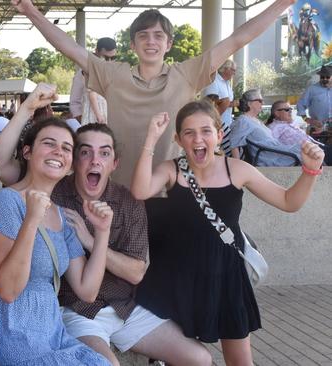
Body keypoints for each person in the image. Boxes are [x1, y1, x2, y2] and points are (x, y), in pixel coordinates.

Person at [0, 83, 212, 366]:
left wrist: (91, 240)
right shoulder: (52, 191)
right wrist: (27, 109)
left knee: (200, 358)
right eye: (85, 152)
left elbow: (136, 272)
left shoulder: (128, 202)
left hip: (125, 308)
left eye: (104, 153)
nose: (95, 160)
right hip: (76, 310)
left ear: (114, 163)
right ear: (73, 161)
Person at [12, 0, 296, 188]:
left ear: (169, 43)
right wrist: (31, 11)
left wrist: (282, 4)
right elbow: (68, 47)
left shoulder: (186, 73)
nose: (151, 41)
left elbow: (237, 39)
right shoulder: (113, 74)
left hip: (174, 188)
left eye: (158, 35)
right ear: (132, 44)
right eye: (143, 36)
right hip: (120, 189)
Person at [130, 100, 324, 365]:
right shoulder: (171, 170)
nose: (198, 138)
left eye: (206, 131)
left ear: (219, 135)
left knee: (241, 362)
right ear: (178, 139)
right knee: (183, 358)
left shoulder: (238, 170)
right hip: (176, 280)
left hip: (226, 277)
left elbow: (289, 202)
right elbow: (140, 191)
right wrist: (151, 140)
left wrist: (310, 171)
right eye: (189, 133)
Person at [0, 114, 113, 365]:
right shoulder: (6, 202)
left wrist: (102, 232)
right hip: (13, 331)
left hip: (52, 332)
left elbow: (87, 290)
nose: (58, 152)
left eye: (66, 148)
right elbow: (8, 290)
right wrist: (31, 220)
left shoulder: (62, 216)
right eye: (49, 143)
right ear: (27, 152)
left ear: (70, 163)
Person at [229, 89, 302, 166]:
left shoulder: (253, 120)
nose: (263, 103)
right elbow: (234, 144)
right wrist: (236, 167)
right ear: (249, 103)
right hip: (272, 158)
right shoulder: (243, 121)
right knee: (307, 152)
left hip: (277, 152)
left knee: (307, 148)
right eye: (260, 101)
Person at [268, 100, 332, 165]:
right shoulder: (274, 127)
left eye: (290, 109)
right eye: (287, 110)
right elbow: (272, 146)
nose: (290, 111)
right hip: (309, 154)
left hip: (317, 148)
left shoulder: (291, 124)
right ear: (277, 113)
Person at [69, 37, 116, 124]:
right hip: (90, 123)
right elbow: (74, 103)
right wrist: (85, 122)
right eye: (105, 57)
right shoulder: (83, 73)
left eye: (113, 58)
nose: (109, 62)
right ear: (96, 51)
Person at [202, 59, 237, 156]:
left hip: (226, 122)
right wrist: (231, 103)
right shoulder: (214, 81)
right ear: (225, 69)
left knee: (224, 151)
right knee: (218, 151)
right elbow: (210, 102)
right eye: (233, 70)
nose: (235, 73)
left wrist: (231, 103)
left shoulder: (227, 83)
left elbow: (225, 101)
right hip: (216, 123)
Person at [297, 64, 331, 134]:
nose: (324, 79)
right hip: (317, 128)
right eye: (322, 77)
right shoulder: (312, 89)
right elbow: (301, 105)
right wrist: (306, 119)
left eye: (327, 77)